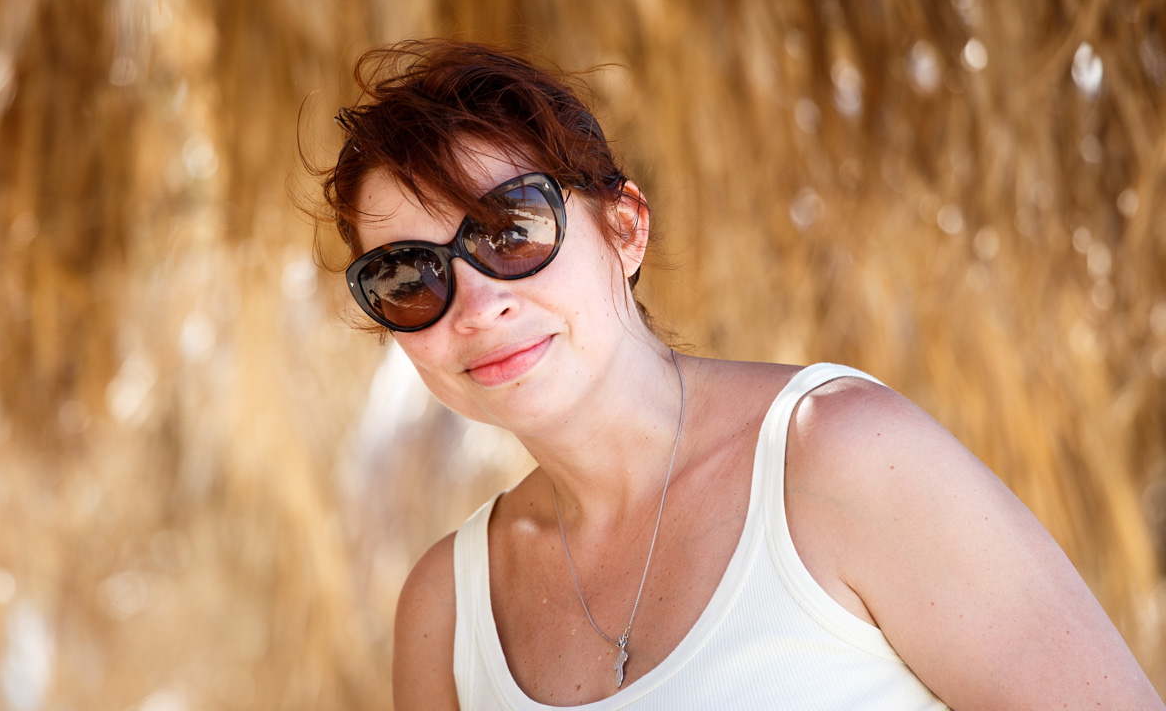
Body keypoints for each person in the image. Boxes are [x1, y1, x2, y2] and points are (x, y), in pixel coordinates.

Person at [321, 39, 1164, 710]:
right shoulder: (445, 614)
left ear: (625, 228)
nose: (476, 304)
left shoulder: (840, 459)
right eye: (407, 276)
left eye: (511, 231)